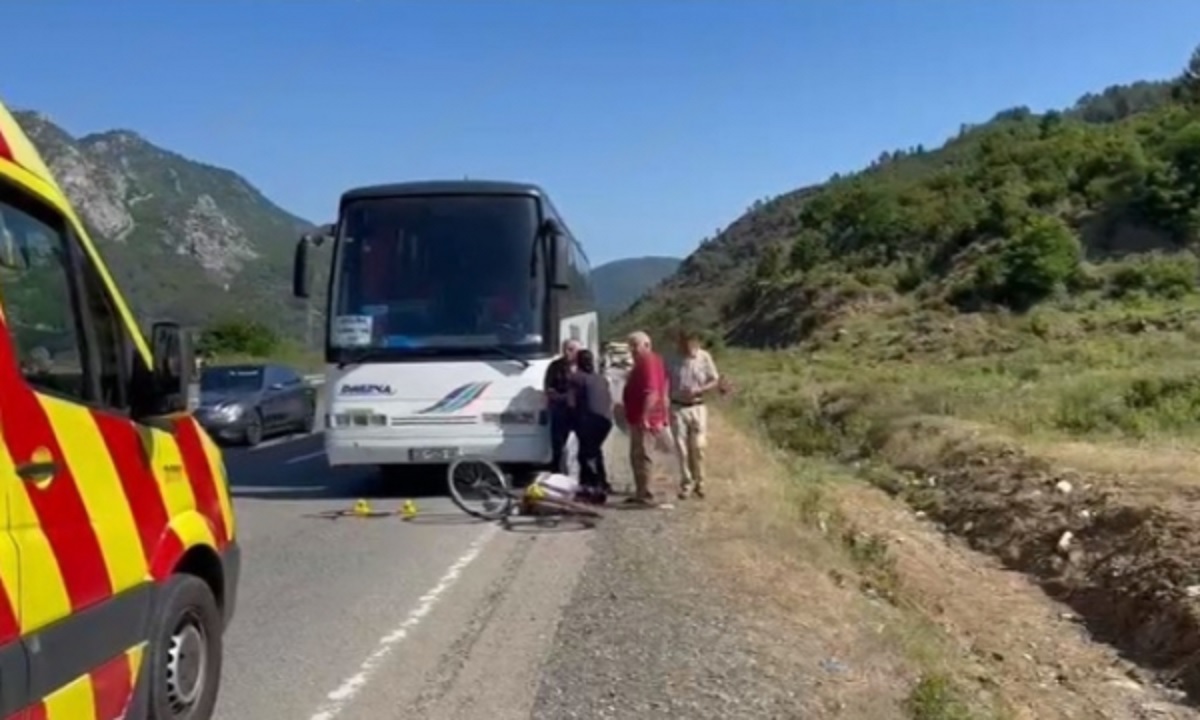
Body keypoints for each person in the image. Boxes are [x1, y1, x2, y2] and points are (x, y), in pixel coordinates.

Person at [667, 330, 721, 500]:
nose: (688, 347)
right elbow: (662, 380)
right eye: (684, 343)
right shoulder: (670, 359)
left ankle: (701, 482)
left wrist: (700, 389)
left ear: (696, 342)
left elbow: (715, 380)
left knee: (698, 447)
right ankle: (686, 483)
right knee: (681, 448)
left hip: (698, 406)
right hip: (677, 407)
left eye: (691, 344)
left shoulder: (704, 357)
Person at [621, 330, 669, 506]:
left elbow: (652, 392)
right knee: (637, 455)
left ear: (647, 345)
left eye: (635, 345)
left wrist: (645, 416)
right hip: (640, 417)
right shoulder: (648, 361)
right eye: (630, 346)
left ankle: (647, 494)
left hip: (646, 419)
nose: (633, 349)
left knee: (644, 455)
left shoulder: (648, 361)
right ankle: (641, 492)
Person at [570, 349, 614, 503]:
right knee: (594, 452)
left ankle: (594, 488)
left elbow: (571, 402)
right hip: (605, 421)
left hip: (589, 421)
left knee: (586, 456)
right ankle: (599, 483)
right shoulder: (601, 379)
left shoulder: (577, 378)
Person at [544, 338, 581, 473]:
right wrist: (565, 398)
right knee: (558, 444)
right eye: (565, 349)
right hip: (560, 411)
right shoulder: (555, 367)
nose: (567, 353)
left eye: (571, 349)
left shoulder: (585, 366)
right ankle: (556, 473)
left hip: (579, 412)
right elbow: (549, 389)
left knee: (582, 446)